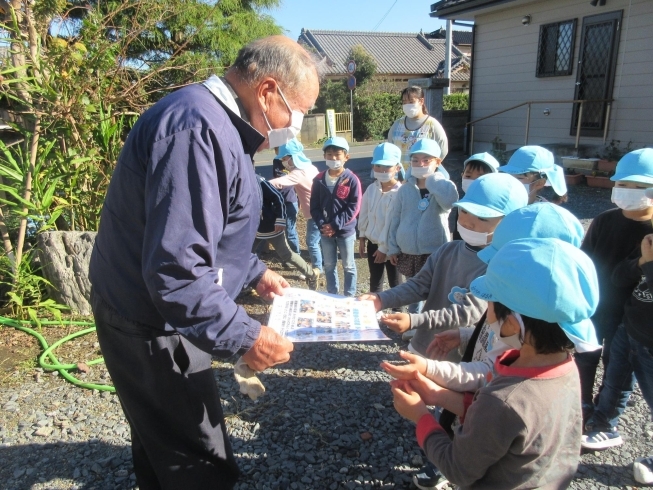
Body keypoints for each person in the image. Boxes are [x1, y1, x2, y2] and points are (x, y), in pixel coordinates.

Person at [88, 36, 322, 488]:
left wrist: (253, 271)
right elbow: (176, 270)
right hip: (151, 321)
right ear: (268, 91)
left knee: (163, 440)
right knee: (196, 461)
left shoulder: (220, 122)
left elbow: (206, 226)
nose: (297, 123)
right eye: (299, 110)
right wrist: (245, 336)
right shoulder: (197, 128)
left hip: (164, 311)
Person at [390, 238, 600, 490]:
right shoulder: (564, 368)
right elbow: (500, 424)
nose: (486, 313)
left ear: (511, 323)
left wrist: (421, 416)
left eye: (488, 304)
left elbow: (458, 468)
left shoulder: (505, 398)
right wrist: (436, 393)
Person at [362, 173, 528, 358]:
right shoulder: (448, 250)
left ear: (509, 223)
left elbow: (468, 312)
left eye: (482, 218)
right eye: (464, 211)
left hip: (459, 355)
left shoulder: (499, 266)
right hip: (425, 343)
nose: (467, 222)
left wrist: (414, 320)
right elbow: (418, 285)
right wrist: (381, 299)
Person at [575, 148, 653, 427]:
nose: (627, 191)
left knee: (617, 365)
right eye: (622, 184)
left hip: (629, 317)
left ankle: (605, 408)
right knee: (586, 356)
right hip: (595, 305)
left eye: (638, 186)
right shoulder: (605, 220)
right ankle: (581, 401)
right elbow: (585, 260)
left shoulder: (651, 232)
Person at [385, 139, 458, 319]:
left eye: (427, 160)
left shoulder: (443, 186)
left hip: (434, 250)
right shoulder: (405, 189)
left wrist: (433, 179)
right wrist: (392, 247)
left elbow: (450, 202)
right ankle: (413, 320)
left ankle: (429, 322)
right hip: (409, 250)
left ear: (438, 162)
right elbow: (395, 218)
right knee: (413, 287)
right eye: (415, 160)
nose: (420, 164)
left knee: (435, 289)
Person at [310, 136, 361, 296]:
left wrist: (335, 225)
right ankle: (332, 294)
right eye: (329, 154)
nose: (333, 158)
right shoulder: (318, 180)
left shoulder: (351, 180)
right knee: (329, 264)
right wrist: (323, 225)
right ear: (324, 156)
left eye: (337, 154)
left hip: (345, 232)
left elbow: (354, 207)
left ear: (346, 157)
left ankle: (349, 295)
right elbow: (314, 206)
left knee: (348, 265)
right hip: (325, 232)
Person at [252, 175, 320, 289]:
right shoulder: (233, 181)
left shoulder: (258, 181)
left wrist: (280, 219)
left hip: (271, 227)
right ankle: (250, 283)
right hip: (251, 229)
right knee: (245, 256)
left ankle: (311, 274)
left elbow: (277, 197)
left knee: (286, 254)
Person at [269, 138, 322, 272]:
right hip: (322, 209)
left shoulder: (297, 173)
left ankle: (317, 269)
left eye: (285, 158)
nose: (283, 162)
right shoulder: (311, 167)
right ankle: (323, 264)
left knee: (312, 242)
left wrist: (260, 183)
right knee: (320, 240)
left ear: (293, 157)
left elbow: (278, 182)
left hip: (314, 213)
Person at [358, 142, 403, 295]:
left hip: (393, 248)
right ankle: (374, 314)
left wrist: (384, 248)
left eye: (387, 167)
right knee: (375, 281)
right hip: (372, 243)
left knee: (395, 283)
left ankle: (397, 313)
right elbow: (364, 213)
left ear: (397, 168)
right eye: (377, 166)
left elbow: (393, 224)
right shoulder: (372, 189)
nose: (381, 170)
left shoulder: (400, 193)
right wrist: (362, 236)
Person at [387, 85, 448, 174]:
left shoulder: (432, 125)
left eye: (411, 101)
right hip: (399, 176)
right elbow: (390, 148)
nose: (407, 105)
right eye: (404, 102)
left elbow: (442, 149)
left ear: (421, 101)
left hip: (423, 177)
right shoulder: (397, 124)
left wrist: (431, 167)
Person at [451, 152, 500, 241]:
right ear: (462, 175)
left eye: (480, 178)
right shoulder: (462, 203)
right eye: (468, 176)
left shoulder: (494, 207)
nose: (473, 181)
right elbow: (457, 234)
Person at [499, 145, 568, 204]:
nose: (510, 181)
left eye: (519, 178)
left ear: (540, 183)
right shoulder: (499, 202)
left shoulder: (542, 213)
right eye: (508, 176)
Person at [271, 154, 300, 255]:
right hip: (278, 201)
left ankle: (296, 256)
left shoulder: (295, 160)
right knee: (274, 229)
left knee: (290, 232)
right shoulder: (277, 161)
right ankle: (285, 255)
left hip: (290, 201)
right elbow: (277, 178)